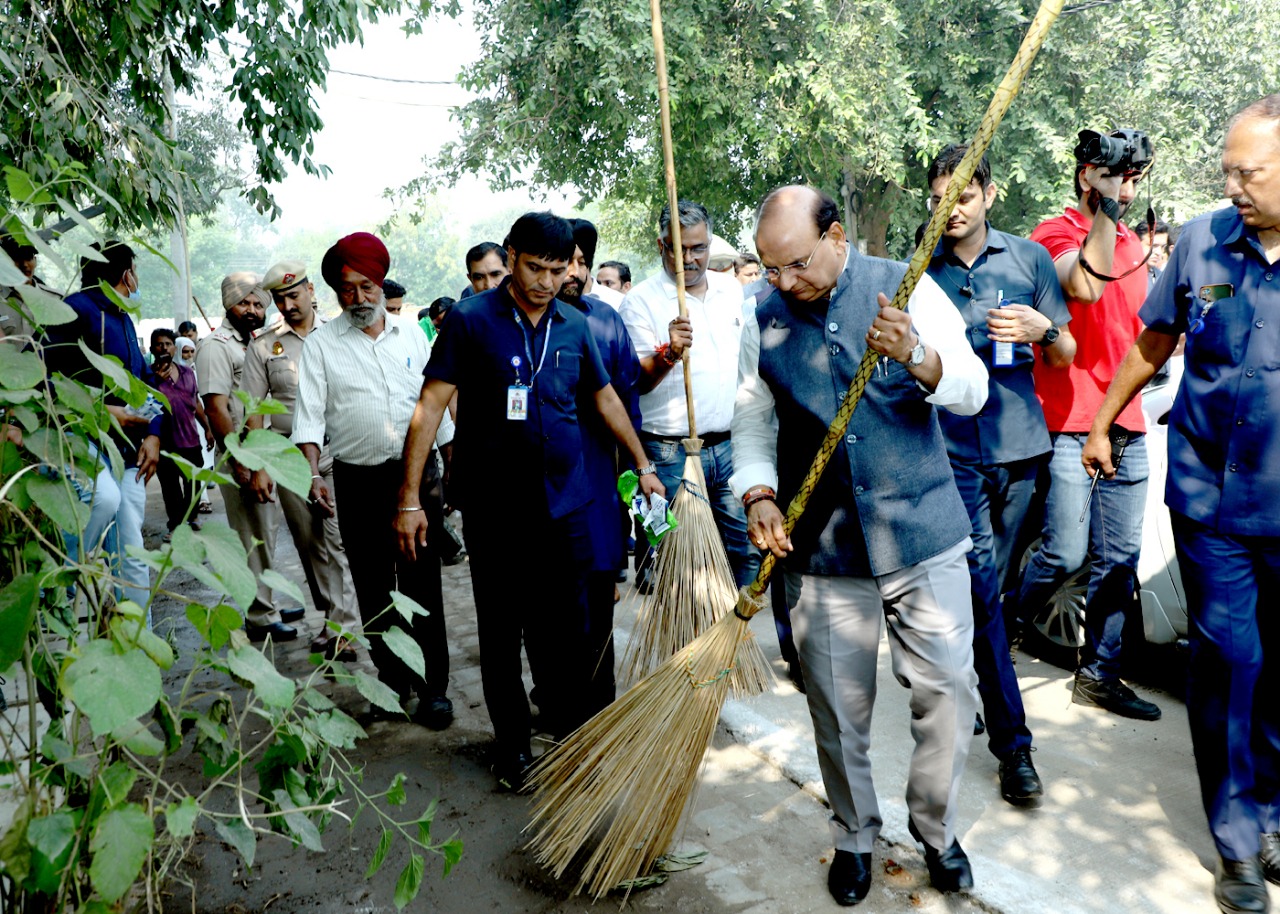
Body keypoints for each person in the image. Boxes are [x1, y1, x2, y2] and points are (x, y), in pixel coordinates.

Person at [732, 185, 987, 904]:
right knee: (837, 708)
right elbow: (753, 421)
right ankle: (854, 835)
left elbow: (972, 389)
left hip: (921, 531)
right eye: (770, 268)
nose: (785, 282)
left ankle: (936, 832)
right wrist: (758, 493)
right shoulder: (765, 316)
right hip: (820, 548)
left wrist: (917, 354)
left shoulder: (904, 287)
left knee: (945, 691)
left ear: (838, 236)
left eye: (797, 264)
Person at [1083, 95, 1280, 914]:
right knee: (1228, 663)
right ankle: (1238, 842)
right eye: (1227, 171)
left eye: (1251, 172)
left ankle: (1270, 812)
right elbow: (1153, 340)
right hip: (1209, 501)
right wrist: (1101, 422)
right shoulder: (1202, 241)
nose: (1233, 185)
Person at [393, 211, 662, 791]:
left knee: (562, 632)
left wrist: (642, 464)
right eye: (534, 267)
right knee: (500, 632)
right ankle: (513, 748)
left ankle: (568, 733)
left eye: (556, 269)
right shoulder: (469, 322)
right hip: (496, 511)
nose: (544, 281)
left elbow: (606, 398)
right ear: (511, 256)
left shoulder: (573, 325)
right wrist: (410, 498)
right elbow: (429, 408)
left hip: (565, 506)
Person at [924, 144, 1077, 807]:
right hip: (950, 454)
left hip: (1021, 449)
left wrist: (1044, 329)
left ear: (989, 194)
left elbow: (1066, 353)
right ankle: (1014, 750)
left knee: (997, 594)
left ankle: (981, 679)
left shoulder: (1030, 258)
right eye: (937, 198)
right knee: (984, 590)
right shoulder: (916, 274)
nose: (949, 209)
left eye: (961, 196)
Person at [1011, 128, 1163, 721]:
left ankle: (1099, 674)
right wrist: (1104, 208)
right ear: (1085, 176)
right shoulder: (1054, 233)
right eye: (1113, 174)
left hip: (1128, 421)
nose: (1126, 185)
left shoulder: (1134, 244)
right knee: (1062, 552)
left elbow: (1139, 330)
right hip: (1071, 419)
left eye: (1131, 176)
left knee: (1119, 560)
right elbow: (1083, 285)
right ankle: (989, 636)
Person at [292, 232, 457, 730]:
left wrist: (451, 461)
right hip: (357, 481)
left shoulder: (412, 334)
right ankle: (391, 683)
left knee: (423, 582)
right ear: (337, 294)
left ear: (381, 285)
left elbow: (436, 405)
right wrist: (312, 474)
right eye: (348, 290)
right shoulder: (321, 345)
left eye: (367, 287)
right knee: (374, 587)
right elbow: (308, 416)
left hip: (417, 478)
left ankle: (434, 690)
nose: (359, 298)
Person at [620, 199, 759, 589]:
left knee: (743, 552)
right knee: (677, 565)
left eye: (698, 248)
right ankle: (687, 645)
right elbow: (637, 381)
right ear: (661, 246)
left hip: (732, 447)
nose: (689, 259)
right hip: (669, 455)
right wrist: (668, 352)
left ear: (710, 244)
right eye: (678, 248)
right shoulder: (641, 302)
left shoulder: (732, 291)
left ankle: (733, 642)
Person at [244, 261, 362, 659]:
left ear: (311, 291)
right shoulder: (264, 345)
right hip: (289, 456)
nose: (288, 304)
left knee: (337, 539)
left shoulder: (340, 333)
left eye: (294, 295)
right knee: (311, 543)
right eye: (280, 298)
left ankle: (342, 628)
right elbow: (254, 408)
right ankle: (332, 620)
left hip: (338, 450)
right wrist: (260, 463)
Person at [39, 242, 162, 615]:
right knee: (103, 498)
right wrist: (106, 410)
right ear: (127, 274)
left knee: (133, 552)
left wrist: (154, 433)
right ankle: (52, 583)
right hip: (81, 439)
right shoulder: (74, 310)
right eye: (135, 271)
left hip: (127, 450)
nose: (137, 279)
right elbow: (45, 380)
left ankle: (141, 641)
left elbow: (144, 381)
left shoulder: (123, 319)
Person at [557, 217, 642, 714]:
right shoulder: (513, 325)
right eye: (564, 261)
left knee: (597, 611)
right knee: (551, 613)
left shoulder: (606, 322)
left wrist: (635, 477)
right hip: (541, 496)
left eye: (582, 262)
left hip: (598, 492)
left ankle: (601, 713)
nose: (573, 272)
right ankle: (559, 705)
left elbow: (627, 404)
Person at [196, 273, 300, 642]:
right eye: (245, 303)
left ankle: (266, 601)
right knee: (251, 534)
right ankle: (259, 615)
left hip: (261, 452)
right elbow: (216, 407)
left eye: (259, 304)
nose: (253, 311)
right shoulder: (215, 346)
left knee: (265, 532)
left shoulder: (252, 343)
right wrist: (240, 459)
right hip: (240, 455)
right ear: (229, 304)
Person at [150, 328, 213, 536]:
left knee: (193, 483)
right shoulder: (148, 376)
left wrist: (207, 429)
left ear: (173, 347)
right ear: (152, 348)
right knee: (170, 487)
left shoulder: (187, 373)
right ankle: (175, 527)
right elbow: (145, 407)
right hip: (165, 442)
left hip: (190, 438)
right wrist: (157, 381)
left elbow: (196, 402)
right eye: (159, 344)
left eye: (168, 344)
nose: (164, 348)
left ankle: (192, 516)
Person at [1133, 218, 1172, 288]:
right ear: (1137, 242)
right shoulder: (1120, 275)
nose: (1159, 252)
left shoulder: (1164, 280)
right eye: (1153, 246)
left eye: (1163, 247)